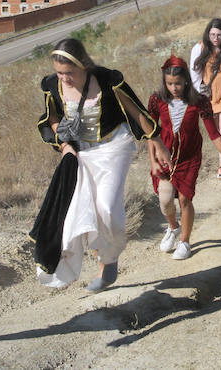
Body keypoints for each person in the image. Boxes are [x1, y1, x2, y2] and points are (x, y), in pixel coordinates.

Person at [34, 38, 171, 292]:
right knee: (83, 213)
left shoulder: (107, 79)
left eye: (69, 73)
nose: (64, 78)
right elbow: (51, 117)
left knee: (107, 209)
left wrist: (158, 143)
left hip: (113, 147)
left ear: (83, 65)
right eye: (59, 73)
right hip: (81, 153)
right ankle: (103, 262)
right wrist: (64, 145)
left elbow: (136, 110)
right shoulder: (52, 86)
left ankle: (111, 259)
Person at [148, 55, 221, 261]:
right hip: (164, 155)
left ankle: (185, 242)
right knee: (164, 200)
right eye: (169, 83)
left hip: (189, 157)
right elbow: (150, 133)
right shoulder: (157, 100)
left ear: (186, 81)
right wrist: (152, 159)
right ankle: (173, 227)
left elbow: (214, 134)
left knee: (184, 199)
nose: (174, 88)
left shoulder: (198, 101)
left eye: (178, 83)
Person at [189, 18, 221, 181]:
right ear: (207, 34)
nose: (215, 38)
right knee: (217, 132)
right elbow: (194, 74)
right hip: (209, 96)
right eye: (212, 34)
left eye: (219, 35)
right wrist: (201, 93)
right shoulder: (200, 48)